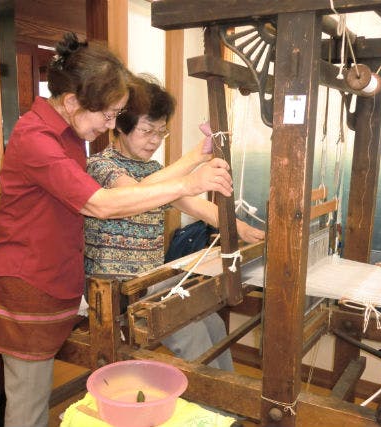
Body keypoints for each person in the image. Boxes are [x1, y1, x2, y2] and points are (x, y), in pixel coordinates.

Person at [0, 33, 233, 427]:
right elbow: (99, 203)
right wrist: (189, 178)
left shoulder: (67, 136)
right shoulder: (36, 139)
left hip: (58, 276)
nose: (111, 124)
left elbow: (140, 192)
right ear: (71, 102)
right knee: (29, 401)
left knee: (37, 394)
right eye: (109, 114)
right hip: (29, 281)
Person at [84, 74, 265, 371]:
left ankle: (226, 408)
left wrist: (244, 230)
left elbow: (197, 206)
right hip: (116, 292)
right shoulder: (100, 166)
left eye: (161, 132)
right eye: (146, 131)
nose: (155, 140)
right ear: (119, 125)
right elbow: (132, 194)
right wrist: (193, 159)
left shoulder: (156, 170)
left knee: (214, 326)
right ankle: (214, 408)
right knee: (194, 339)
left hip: (149, 284)